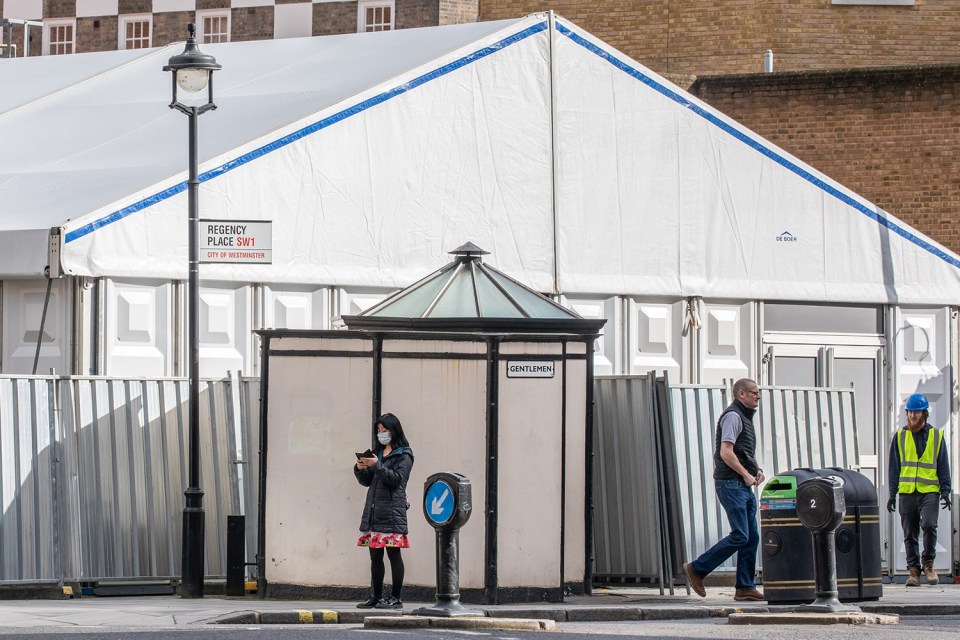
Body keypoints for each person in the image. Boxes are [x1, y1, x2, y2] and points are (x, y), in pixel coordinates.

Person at [683, 378, 765, 601]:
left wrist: (755, 469)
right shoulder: (733, 416)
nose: (758, 396)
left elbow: (742, 450)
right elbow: (726, 452)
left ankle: (745, 587)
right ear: (741, 394)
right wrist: (746, 474)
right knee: (740, 535)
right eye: (754, 393)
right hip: (731, 484)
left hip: (742, 485)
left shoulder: (744, 418)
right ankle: (697, 568)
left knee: (752, 537)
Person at [886, 393, 952, 587]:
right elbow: (893, 468)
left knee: (930, 525)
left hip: (929, 491)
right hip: (907, 492)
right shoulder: (899, 437)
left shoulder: (937, 436)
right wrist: (892, 493)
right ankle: (914, 571)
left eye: (916, 412)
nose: (913, 416)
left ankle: (929, 565)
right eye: (910, 412)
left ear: (925, 414)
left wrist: (945, 491)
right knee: (909, 533)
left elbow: (943, 466)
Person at [354, 413, 415, 609]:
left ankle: (396, 597)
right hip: (374, 509)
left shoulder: (404, 454)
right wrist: (361, 468)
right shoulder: (377, 453)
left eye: (384, 430)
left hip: (392, 511)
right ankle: (376, 596)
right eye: (379, 430)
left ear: (394, 430)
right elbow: (367, 482)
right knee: (375, 555)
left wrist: (377, 465)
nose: (381, 434)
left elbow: (397, 480)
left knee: (393, 554)